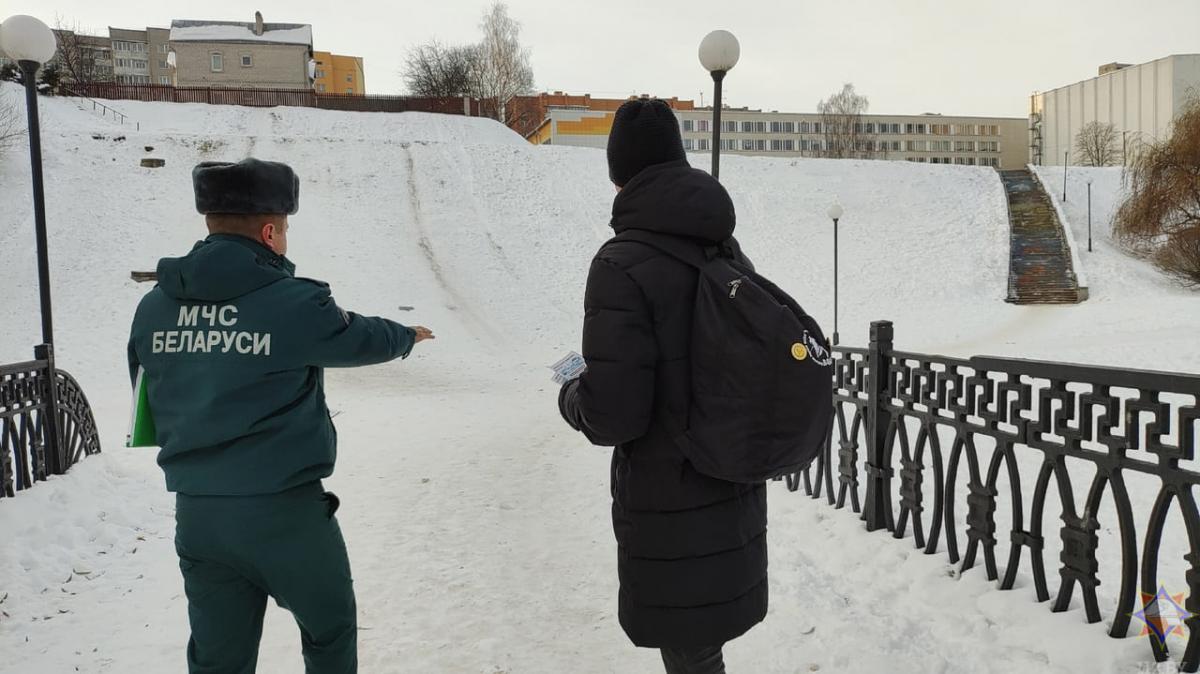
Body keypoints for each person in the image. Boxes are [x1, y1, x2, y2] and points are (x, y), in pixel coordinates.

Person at [127, 158, 434, 673]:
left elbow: (146, 392)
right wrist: (405, 336)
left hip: (198, 515)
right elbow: (357, 338)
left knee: (217, 658)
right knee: (329, 632)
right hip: (284, 514)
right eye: (285, 228)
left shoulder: (153, 307)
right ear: (270, 232)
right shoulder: (292, 302)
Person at [558, 99, 767, 674]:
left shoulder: (619, 264)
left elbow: (613, 415)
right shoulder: (726, 249)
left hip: (668, 497)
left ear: (619, 177)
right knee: (701, 647)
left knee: (691, 653)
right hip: (731, 484)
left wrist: (572, 395)